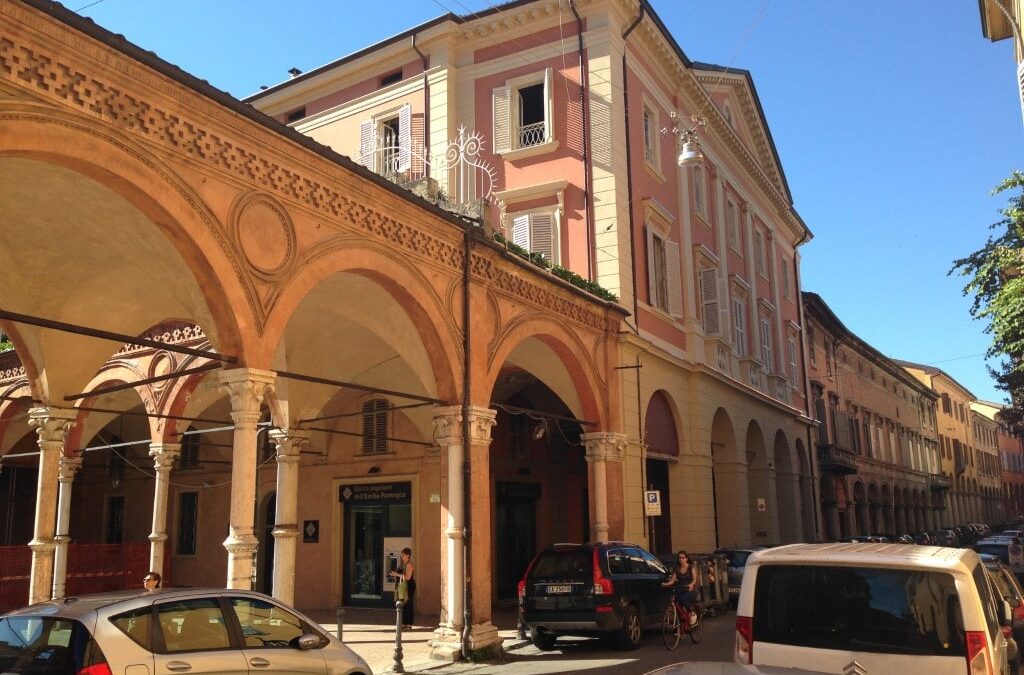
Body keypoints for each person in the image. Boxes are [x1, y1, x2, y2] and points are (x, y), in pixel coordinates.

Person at [661, 550, 698, 625]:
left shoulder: (691, 567)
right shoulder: (677, 568)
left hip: (690, 590)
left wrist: (691, 585)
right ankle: (680, 629)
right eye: (679, 558)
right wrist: (666, 584)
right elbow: (672, 581)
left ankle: (692, 612)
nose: (681, 559)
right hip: (680, 589)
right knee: (677, 604)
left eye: (683, 557)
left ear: (686, 558)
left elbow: (694, 579)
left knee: (682, 599)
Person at [389, 548, 415, 629]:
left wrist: (396, 574)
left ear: (408, 555)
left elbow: (408, 577)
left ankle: (409, 624)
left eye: (403, 555)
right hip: (402, 586)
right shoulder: (402, 564)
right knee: (402, 605)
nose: (402, 557)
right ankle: (403, 623)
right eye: (401, 555)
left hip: (408, 586)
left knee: (408, 604)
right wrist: (394, 574)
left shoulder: (409, 565)